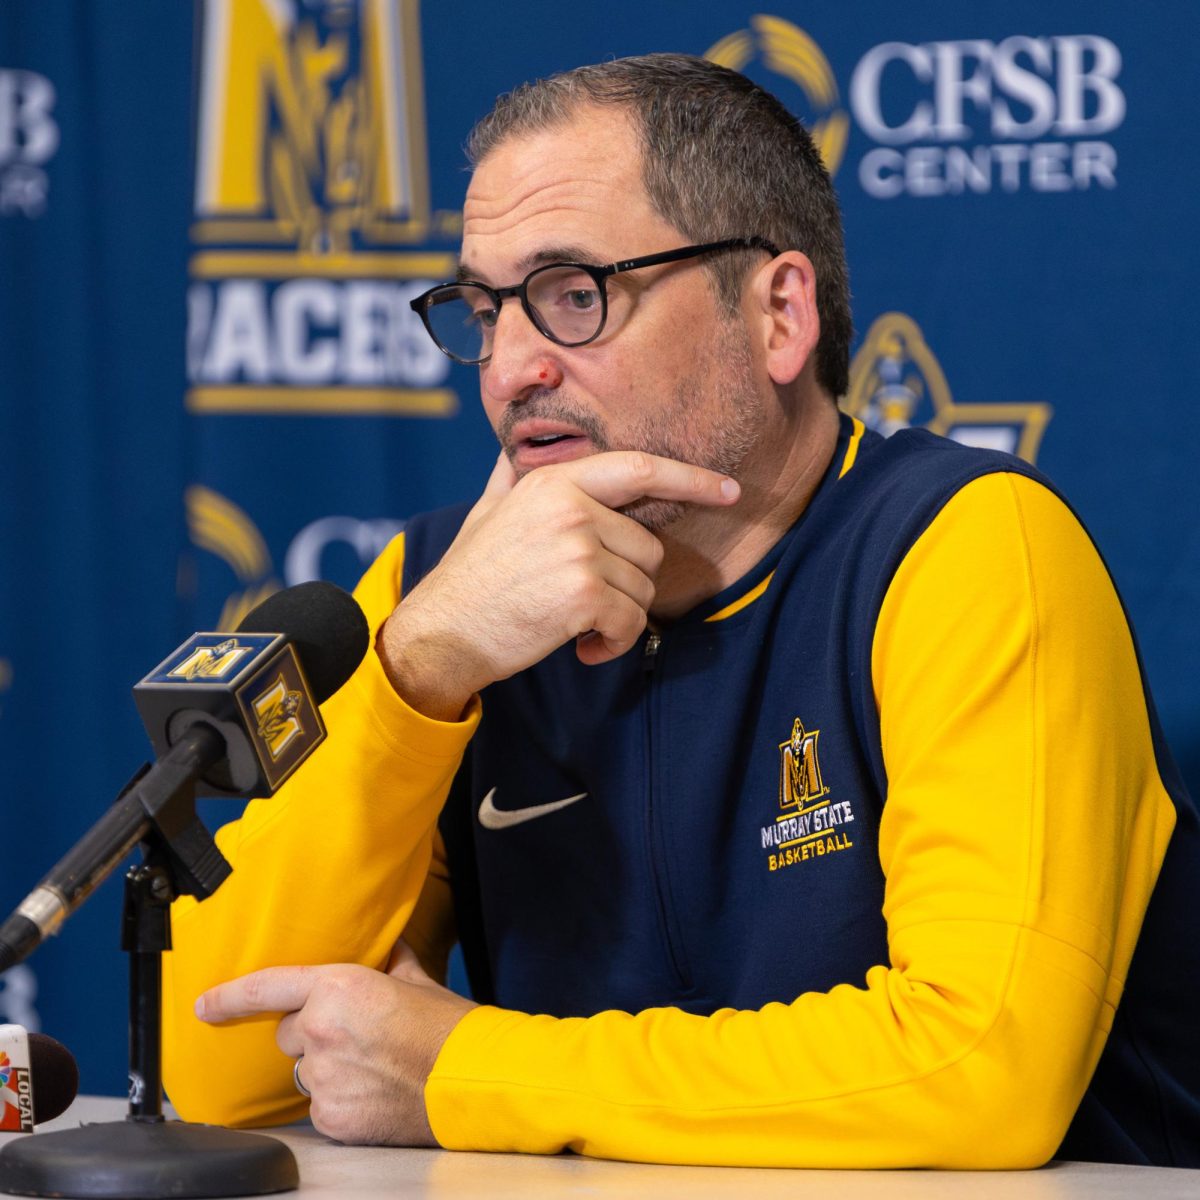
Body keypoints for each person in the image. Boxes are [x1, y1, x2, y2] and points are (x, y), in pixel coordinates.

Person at [161, 54, 1200, 1168]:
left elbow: (976, 1067)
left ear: (778, 316)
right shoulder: (441, 590)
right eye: (481, 309)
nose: (509, 367)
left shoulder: (963, 547)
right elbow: (218, 1069)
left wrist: (466, 1071)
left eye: (573, 296)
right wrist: (416, 677)